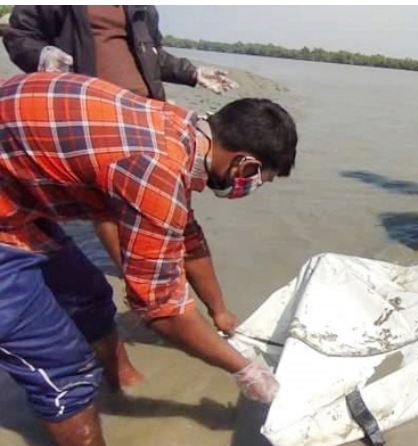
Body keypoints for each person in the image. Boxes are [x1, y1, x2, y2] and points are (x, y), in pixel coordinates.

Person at [0, 72, 296, 446]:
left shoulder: (179, 127)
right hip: (8, 205)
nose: (251, 188)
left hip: (18, 189)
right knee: (63, 371)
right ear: (245, 166)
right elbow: (161, 312)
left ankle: (123, 381)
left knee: (90, 296)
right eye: (259, 180)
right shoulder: (155, 168)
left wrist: (218, 310)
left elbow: (187, 236)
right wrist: (244, 369)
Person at [2, 5, 237, 100]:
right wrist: (41, 56)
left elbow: (151, 56)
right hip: (89, 107)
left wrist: (193, 73)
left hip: (144, 109)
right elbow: (19, 34)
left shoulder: (142, 7)